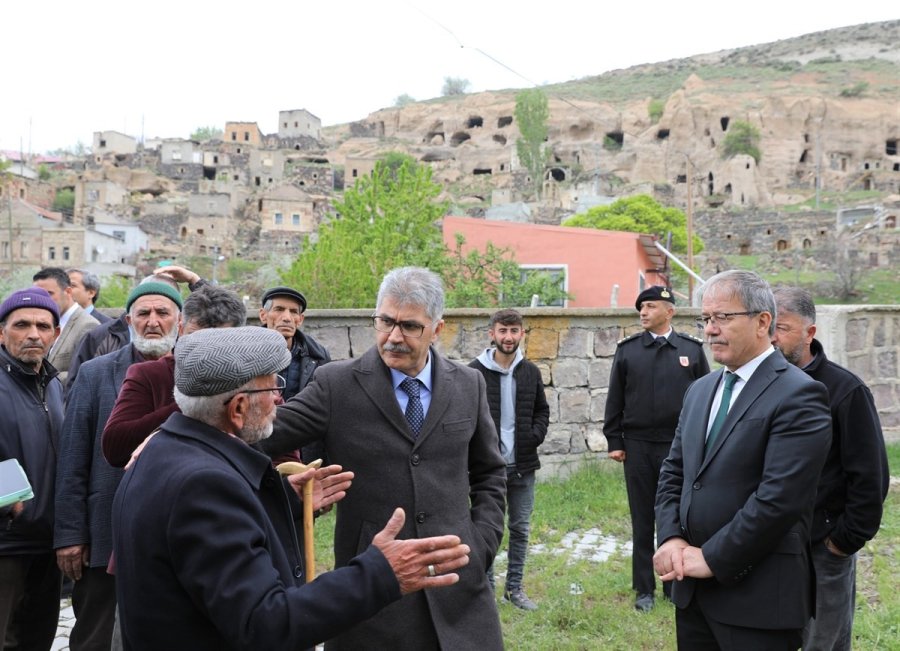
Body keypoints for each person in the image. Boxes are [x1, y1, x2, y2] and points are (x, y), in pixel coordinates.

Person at [112, 326, 471, 650]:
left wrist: (282, 499)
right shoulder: (204, 486)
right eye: (273, 387)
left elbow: (206, 557)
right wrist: (380, 574)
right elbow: (266, 623)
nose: (280, 400)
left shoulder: (161, 452)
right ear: (238, 408)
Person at [260, 266, 506, 650]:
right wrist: (186, 439)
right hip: (372, 599)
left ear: (437, 329)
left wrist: (482, 543)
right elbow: (260, 435)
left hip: (458, 590)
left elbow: (490, 472)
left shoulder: (468, 385)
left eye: (409, 326)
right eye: (386, 321)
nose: (393, 337)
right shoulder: (335, 385)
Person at [654, 269, 832, 650]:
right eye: (705, 319)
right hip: (692, 592)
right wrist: (670, 537)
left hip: (758, 600)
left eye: (722, 317)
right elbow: (675, 472)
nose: (710, 330)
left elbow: (779, 499)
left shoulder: (800, 394)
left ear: (762, 322)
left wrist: (712, 558)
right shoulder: (700, 390)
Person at [54, 282, 183, 651]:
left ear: (180, 321)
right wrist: (70, 534)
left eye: (163, 313)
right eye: (143, 313)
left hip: (175, 530)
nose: (153, 321)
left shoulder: (194, 375)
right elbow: (73, 455)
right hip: (106, 532)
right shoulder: (96, 373)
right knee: (95, 636)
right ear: (128, 321)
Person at [772, 286, 889, 651]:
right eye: (767, 327)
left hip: (823, 546)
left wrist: (842, 541)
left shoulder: (844, 389)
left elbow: (870, 476)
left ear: (809, 332)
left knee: (824, 641)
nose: (772, 337)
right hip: (769, 543)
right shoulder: (760, 385)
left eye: (782, 328)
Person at [603, 285, 709, 612]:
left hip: (680, 448)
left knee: (677, 516)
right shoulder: (628, 350)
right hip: (637, 448)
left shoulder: (691, 350)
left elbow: (707, 399)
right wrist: (615, 441)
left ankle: (674, 583)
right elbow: (615, 398)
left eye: (650, 306)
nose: (643, 312)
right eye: (641, 308)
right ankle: (644, 589)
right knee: (642, 518)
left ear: (669, 311)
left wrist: (704, 443)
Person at [102, 285, 247, 467]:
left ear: (239, 338)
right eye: (195, 338)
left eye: (218, 341)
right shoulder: (150, 375)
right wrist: (193, 404)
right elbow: (114, 447)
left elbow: (272, 437)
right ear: (181, 328)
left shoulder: (251, 376)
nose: (205, 351)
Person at [469, 308, 549, 611]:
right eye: (503, 330)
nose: (508, 337)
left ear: (522, 334)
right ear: (492, 333)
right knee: (486, 528)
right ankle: (486, 590)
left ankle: (514, 589)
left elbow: (542, 411)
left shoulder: (530, 372)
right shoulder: (474, 372)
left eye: (514, 331)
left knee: (520, 529)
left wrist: (533, 436)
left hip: (523, 466)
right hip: (487, 470)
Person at [0, 288, 63, 651]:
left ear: (56, 333)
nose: (33, 334)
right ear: (1, 332)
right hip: (6, 542)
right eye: (21, 325)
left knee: (37, 640)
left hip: (47, 543)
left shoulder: (53, 385)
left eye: (43, 326)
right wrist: (9, 501)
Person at [259, 285, 331, 463]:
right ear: (263, 315)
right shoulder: (246, 353)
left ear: (300, 319)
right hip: (260, 447)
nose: (287, 318)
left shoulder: (318, 357)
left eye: (293, 312)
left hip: (305, 454)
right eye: (279, 309)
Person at [33, 267, 99, 386]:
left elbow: (88, 375)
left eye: (49, 294)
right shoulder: (42, 323)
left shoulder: (88, 326)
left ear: (68, 292)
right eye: (37, 294)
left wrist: (38, 377)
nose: (42, 300)